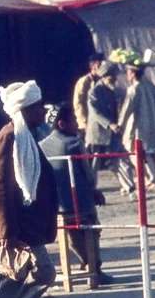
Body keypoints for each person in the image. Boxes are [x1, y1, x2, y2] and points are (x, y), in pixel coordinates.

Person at [0, 80, 62, 298]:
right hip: (20, 228)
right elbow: (0, 189)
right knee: (43, 273)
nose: (44, 112)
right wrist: (7, 231)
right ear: (26, 110)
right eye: (39, 107)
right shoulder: (9, 137)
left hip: (31, 225)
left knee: (25, 279)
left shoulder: (26, 136)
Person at [39, 103, 114, 285]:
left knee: (71, 233)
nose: (78, 125)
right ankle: (95, 268)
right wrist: (95, 192)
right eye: (74, 120)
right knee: (92, 228)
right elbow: (88, 176)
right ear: (62, 124)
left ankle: (86, 261)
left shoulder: (41, 145)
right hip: (79, 204)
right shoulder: (73, 144)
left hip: (55, 207)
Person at [87, 61, 137, 199]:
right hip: (98, 134)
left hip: (113, 134)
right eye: (112, 76)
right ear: (104, 76)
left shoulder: (112, 91)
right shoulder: (94, 91)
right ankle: (90, 192)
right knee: (93, 166)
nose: (115, 78)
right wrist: (110, 124)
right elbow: (95, 112)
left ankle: (130, 189)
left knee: (122, 160)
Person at [119, 61, 155, 192]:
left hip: (137, 128)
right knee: (146, 154)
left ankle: (151, 179)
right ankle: (148, 178)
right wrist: (154, 115)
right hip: (151, 125)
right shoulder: (148, 87)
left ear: (132, 74)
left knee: (138, 154)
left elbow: (127, 109)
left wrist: (120, 125)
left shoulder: (133, 90)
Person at [73, 53, 105, 147]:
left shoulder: (101, 81)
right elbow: (78, 104)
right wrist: (84, 123)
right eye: (99, 65)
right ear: (93, 66)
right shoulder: (84, 82)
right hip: (86, 124)